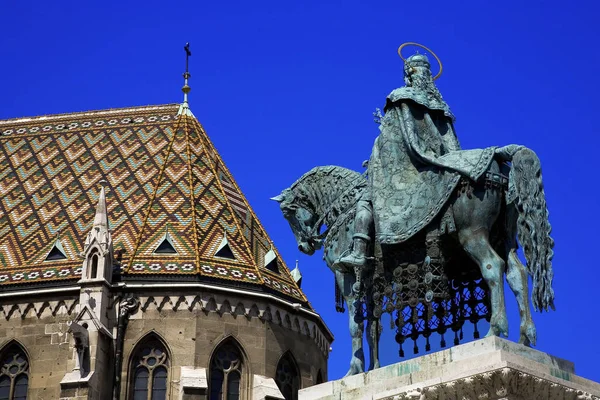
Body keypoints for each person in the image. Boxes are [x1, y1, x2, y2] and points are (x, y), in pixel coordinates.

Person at [337, 52, 496, 270]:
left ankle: (358, 252)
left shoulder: (400, 97)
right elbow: (451, 144)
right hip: (442, 162)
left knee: (366, 199)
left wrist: (376, 160)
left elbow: (389, 142)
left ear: (408, 75)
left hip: (407, 167)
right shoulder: (442, 107)